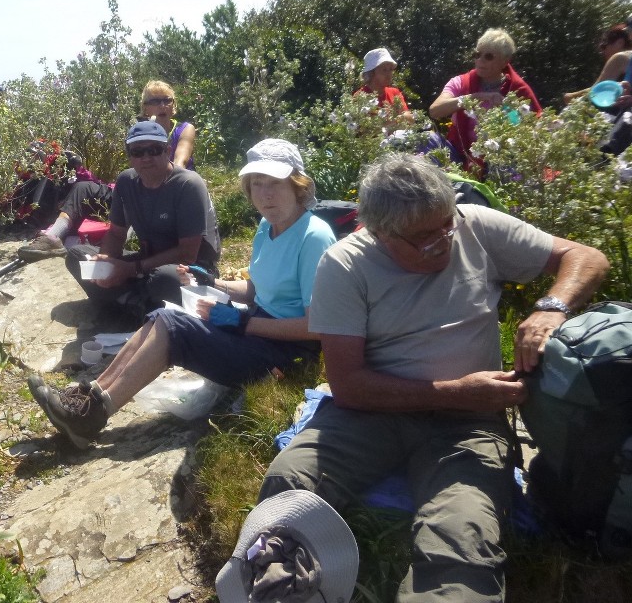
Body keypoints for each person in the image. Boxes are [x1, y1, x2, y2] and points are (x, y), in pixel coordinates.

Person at [258, 153, 609, 602]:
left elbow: (586, 257)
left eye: (446, 225)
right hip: (373, 411)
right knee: (290, 481)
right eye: (424, 238)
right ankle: (279, 587)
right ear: (379, 232)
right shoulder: (344, 265)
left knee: (462, 532)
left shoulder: (473, 225)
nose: (443, 242)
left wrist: (551, 306)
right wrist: (457, 392)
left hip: (468, 426)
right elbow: (348, 386)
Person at [28, 138, 333, 449]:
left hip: (288, 354)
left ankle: (93, 416)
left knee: (174, 328)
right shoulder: (266, 229)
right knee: (163, 315)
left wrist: (242, 324)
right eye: (257, 183)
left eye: (276, 183)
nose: (265, 194)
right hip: (259, 330)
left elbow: (316, 328)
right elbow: (257, 290)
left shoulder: (313, 237)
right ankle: (90, 395)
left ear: (298, 186)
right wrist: (214, 284)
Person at [58, 120, 219, 322]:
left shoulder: (188, 184)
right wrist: (106, 261)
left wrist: (131, 270)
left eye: (154, 150)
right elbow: (117, 233)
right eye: (138, 152)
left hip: (191, 269)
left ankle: (131, 303)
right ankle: (139, 305)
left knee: (165, 279)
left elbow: (188, 253)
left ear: (167, 151)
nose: (146, 157)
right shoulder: (126, 181)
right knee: (78, 255)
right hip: (147, 262)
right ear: (130, 157)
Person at [17, 80, 197, 261]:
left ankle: (126, 248)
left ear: (174, 105)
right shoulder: (136, 132)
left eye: (167, 100)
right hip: (140, 187)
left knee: (141, 204)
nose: (162, 105)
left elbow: (179, 161)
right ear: (145, 108)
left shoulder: (184, 129)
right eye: (155, 101)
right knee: (83, 188)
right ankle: (53, 238)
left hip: (167, 193)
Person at [429, 29, 541, 171]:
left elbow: (531, 130)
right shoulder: (461, 82)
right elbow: (435, 110)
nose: (480, 60)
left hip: (497, 159)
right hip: (459, 155)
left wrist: (507, 109)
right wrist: (475, 97)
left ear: (505, 61)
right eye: (477, 54)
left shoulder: (517, 90)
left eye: (488, 56)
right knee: (426, 139)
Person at [562, 23, 632, 106]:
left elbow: (594, 93)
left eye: (604, 46)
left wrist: (569, 97)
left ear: (619, 43)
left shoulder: (620, 58)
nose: (603, 52)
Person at [355, 48, 415, 123]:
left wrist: (394, 119)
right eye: (384, 70)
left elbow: (410, 119)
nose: (388, 74)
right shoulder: (360, 97)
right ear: (371, 73)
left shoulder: (394, 92)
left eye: (390, 69)